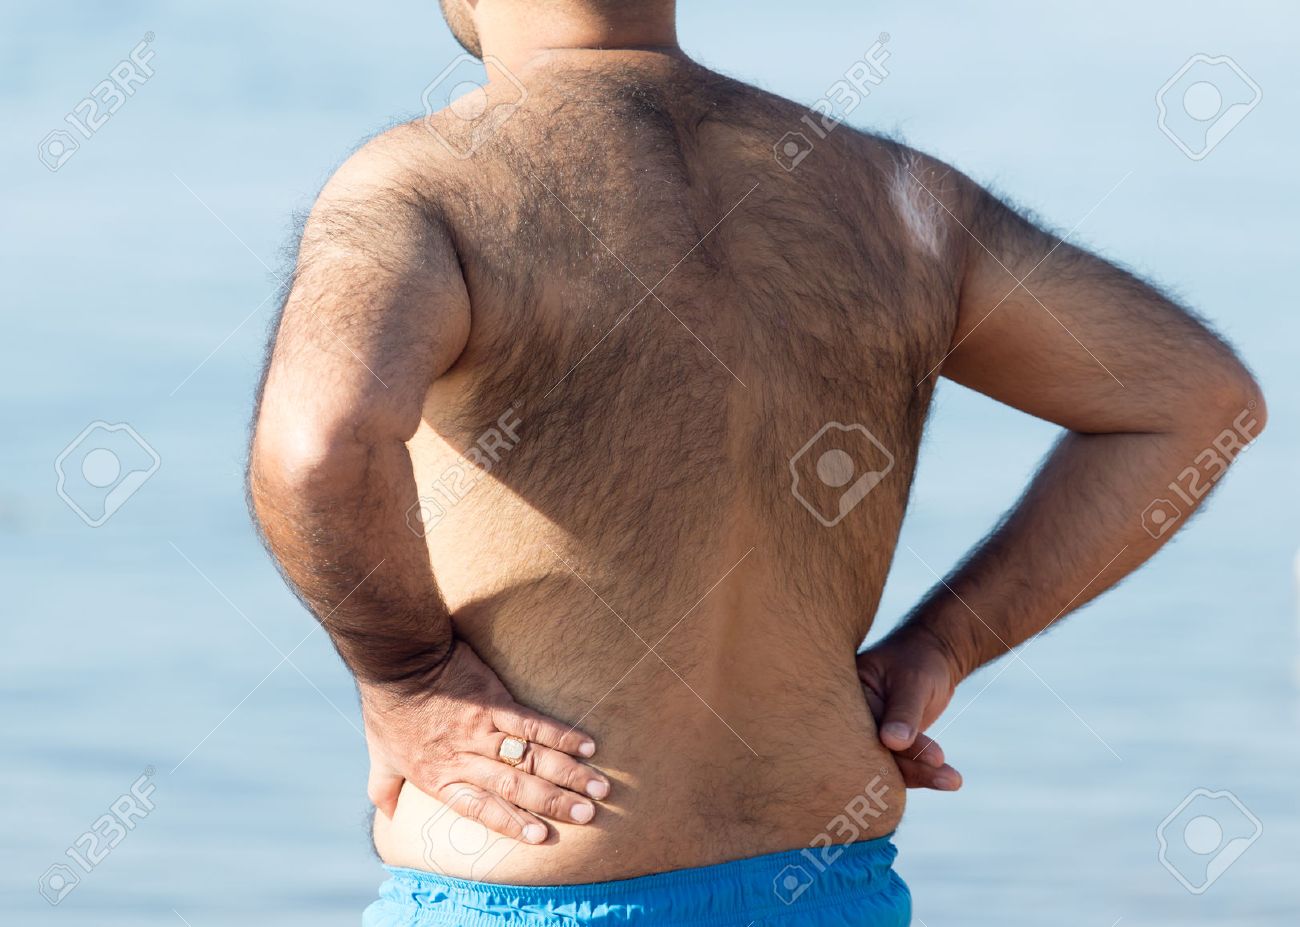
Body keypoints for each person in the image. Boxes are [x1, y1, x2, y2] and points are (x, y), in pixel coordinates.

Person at [246, 1, 1266, 923]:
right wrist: (944, 644)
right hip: (829, 880)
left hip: (537, 868)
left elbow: (318, 447)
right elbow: (1194, 399)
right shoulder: (892, 198)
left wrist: (409, 678)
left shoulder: (432, 185)